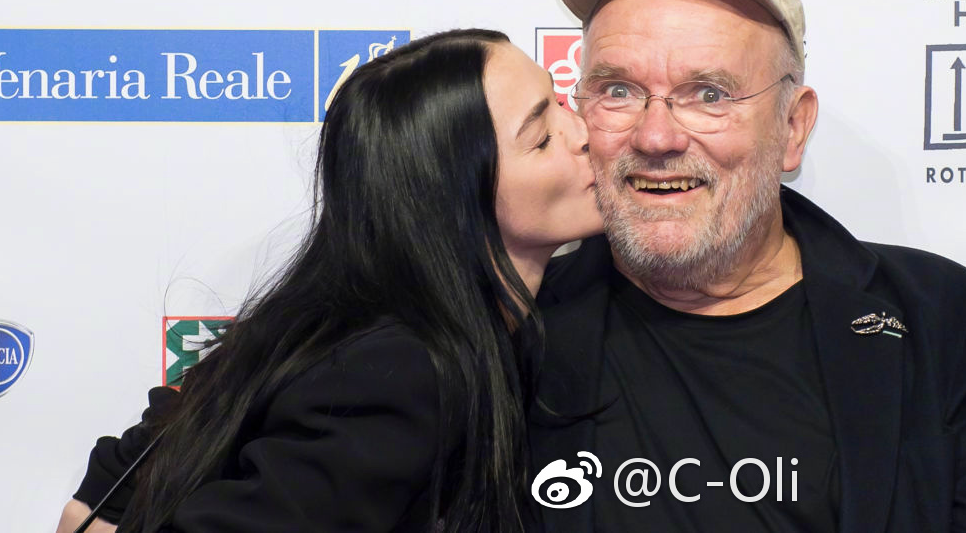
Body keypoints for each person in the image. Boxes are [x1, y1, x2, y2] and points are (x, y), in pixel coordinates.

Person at [528, 0, 966, 531]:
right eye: (618, 91)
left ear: (793, 127)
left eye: (709, 95)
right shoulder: (515, 326)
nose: (655, 137)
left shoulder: (944, 320)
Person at [54, 29, 600, 533]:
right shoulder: (400, 369)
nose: (583, 134)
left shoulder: (389, 330)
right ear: (450, 197)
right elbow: (96, 503)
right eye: (541, 137)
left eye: (561, 103)